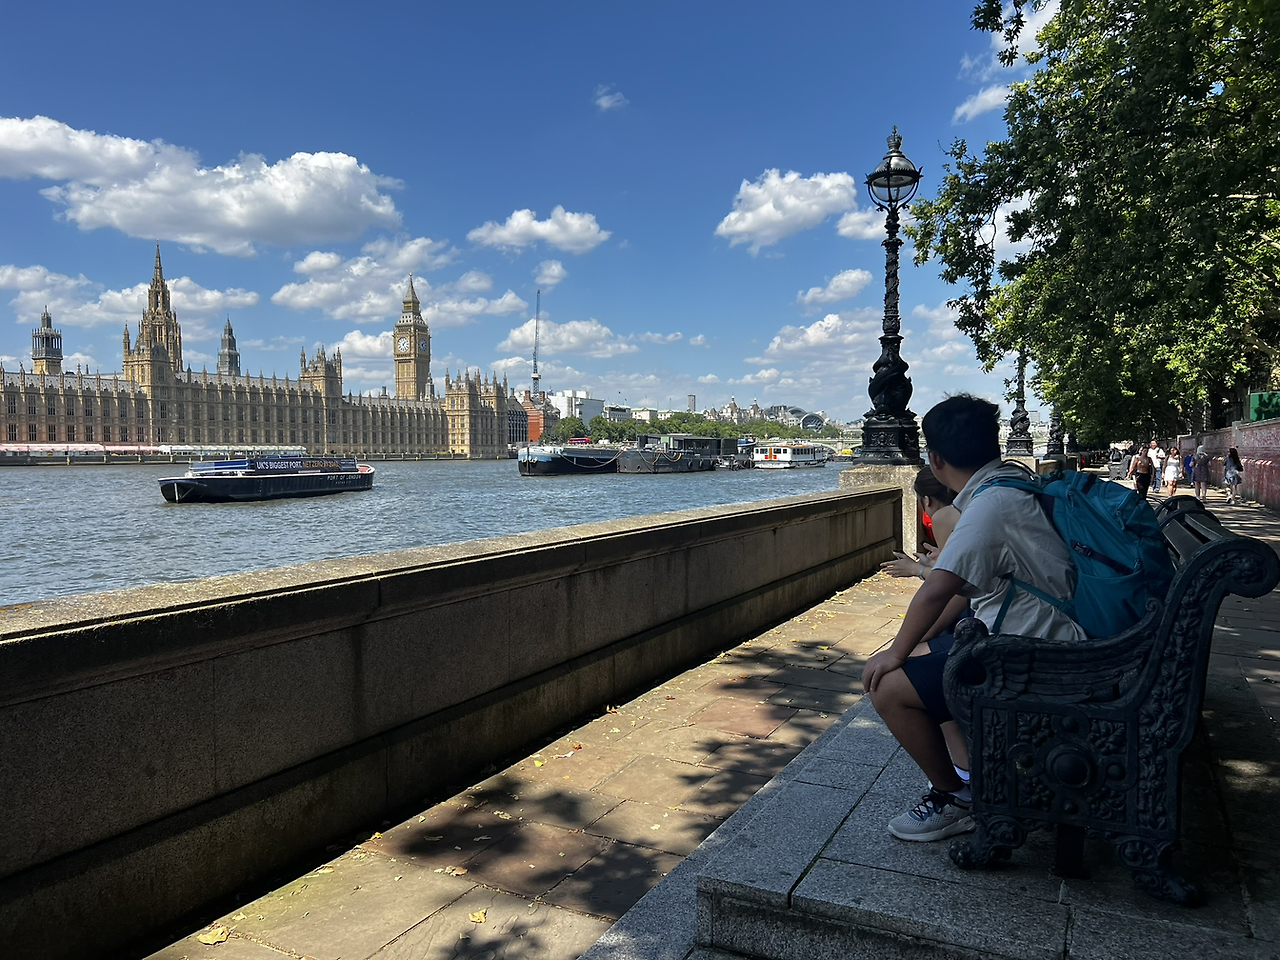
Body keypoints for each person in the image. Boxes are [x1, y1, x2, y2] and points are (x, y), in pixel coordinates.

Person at [862, 395, 1086, 842]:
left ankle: (957, 798)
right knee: (930, 662)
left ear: (935, 459)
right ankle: (967, 767)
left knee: (886, 686)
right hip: (1055, 638)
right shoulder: (1014, 483)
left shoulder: (990, 505)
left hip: (1035, 653)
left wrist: (892, 654)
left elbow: (938, 589)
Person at [881, 465, 958, 581]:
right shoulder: (965, 510)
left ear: (926, 500)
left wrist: (915, 569)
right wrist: (937, 561)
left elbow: (949, 579)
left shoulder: (943, 518)